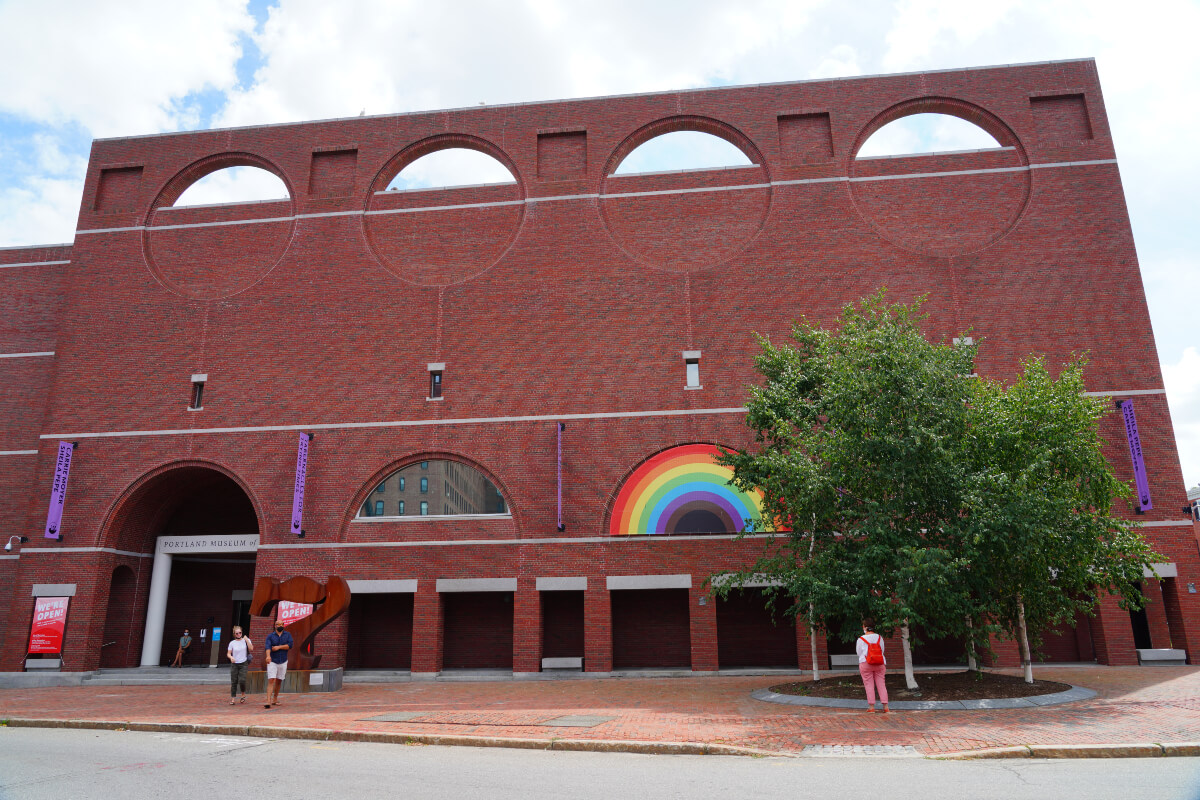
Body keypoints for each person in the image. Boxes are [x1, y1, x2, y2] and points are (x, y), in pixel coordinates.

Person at [857, 618, 889, 713]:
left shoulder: (861, 639)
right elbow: (882, 650)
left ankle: (871, 707)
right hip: (879, 663)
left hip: (866, 663)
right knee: (881, 684)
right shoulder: (879, 637)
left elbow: (859, 653)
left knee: (869, 684)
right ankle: (886, 706)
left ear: (864, 627)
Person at [263, 621, 294, 709]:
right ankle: (268, 701)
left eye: (281, 624)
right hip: (273, 660)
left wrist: (278, 647)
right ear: (275, 626)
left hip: (283, 660)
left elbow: (290, 645)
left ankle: (275, 699)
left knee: (279, 680)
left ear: (283, 625)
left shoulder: (287, 635)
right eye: (278, 624)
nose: (280, 626)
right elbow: (268, 647)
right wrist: (268, 656)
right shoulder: (270, 636)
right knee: (271, 680)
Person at [226, 626, 253, 704]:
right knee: (234, 681)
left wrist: (247, 640)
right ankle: (233, 698)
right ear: (234, 634)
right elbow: (228, 653)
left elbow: (251, 649)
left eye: (240, 632)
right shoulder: (232, 643)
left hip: (243, 663)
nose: (238, 634)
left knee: (242, 680)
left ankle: (243, 694)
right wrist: (231, 657)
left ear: (242, 632)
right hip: (234, 664)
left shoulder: (245, 641)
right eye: (236, 633)